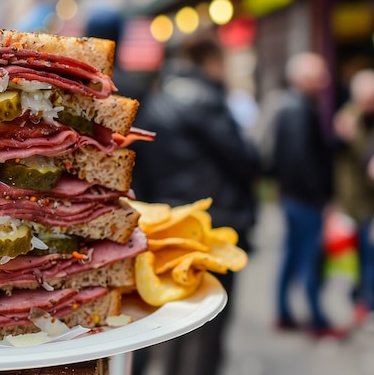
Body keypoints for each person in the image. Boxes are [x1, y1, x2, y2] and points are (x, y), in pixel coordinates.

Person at [130, 33, 260, 375]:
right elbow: (246, 161)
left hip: (166, 225)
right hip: (212, 226)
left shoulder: (155, 98)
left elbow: (139, 168)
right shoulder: (210, 99)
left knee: (173, 317)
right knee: (210, 324)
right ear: (211, 61)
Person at [270, 52, 346, 338]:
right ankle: (317, 319)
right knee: (309, 259)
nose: (325, 80)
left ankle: (285, 314)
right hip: (305, 199)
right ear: (303, 79)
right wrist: (320, 196)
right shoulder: (300, 109)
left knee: (292, 255)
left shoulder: (288, 106)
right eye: (318, 75)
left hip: (292, 195)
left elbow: (281, 156)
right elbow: (303, 157)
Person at [337, 68, 374, 331]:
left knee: (371, 257)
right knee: (349, 259)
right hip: (352, 201)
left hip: (372, 204)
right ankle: (359, 300)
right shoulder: (349, 119)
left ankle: (372, 305)